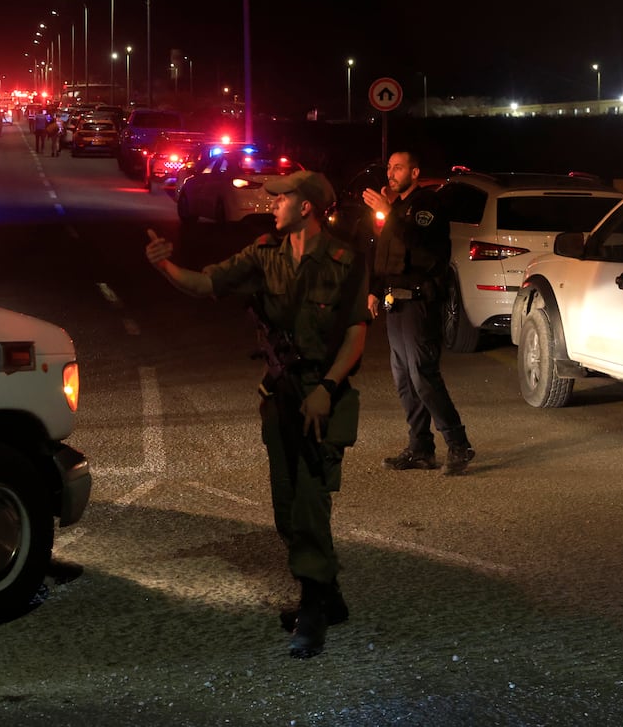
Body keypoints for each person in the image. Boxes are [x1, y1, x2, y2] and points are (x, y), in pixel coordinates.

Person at [144, 171, 368, 659]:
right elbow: (206, 283)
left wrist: (327, 388)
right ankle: (330, 597)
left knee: (311, 503)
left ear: (306, 206)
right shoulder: (264, 254)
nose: (273, 205)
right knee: (287, 506)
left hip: (321, 397)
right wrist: (167, 267)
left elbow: (355, 333)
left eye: (282, 197)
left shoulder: (343, 261)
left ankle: (313, 610)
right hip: (280, 395)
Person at [362, 150, 475, 476]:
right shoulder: (397, 209)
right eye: (388, 168)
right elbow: (382, 252)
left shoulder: (427, 205)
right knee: (404, 381)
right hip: (394, 302)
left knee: (423, 376)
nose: (391, 173)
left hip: (419, 303)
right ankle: (421, 448)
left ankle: (458, 444)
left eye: (398, 168)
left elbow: (423, 246)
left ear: (415, 172)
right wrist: (374, 288)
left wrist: (390, 213)